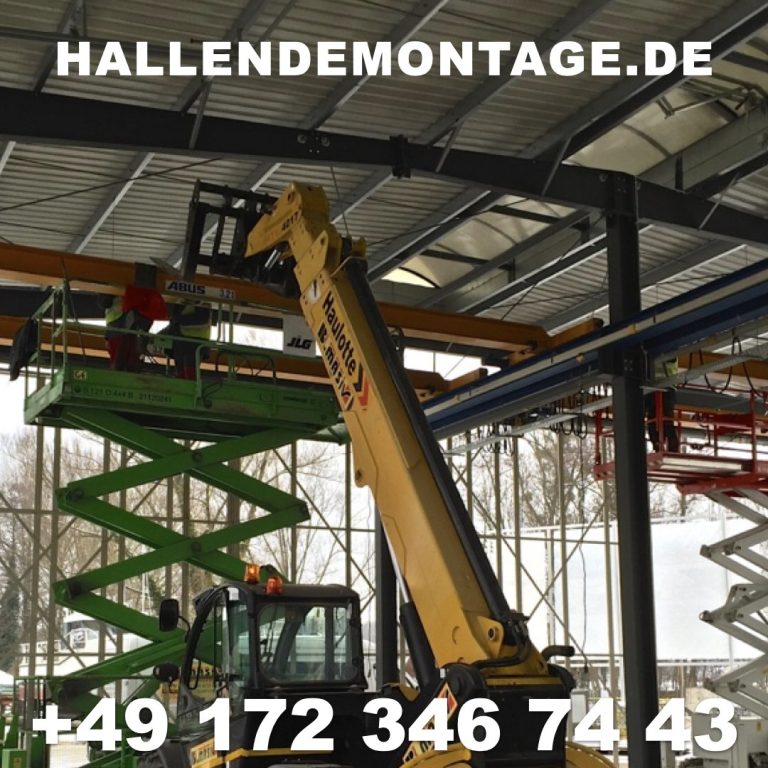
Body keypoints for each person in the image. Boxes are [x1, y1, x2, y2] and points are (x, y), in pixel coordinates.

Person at [100, 286, 167, 372]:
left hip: (125, 328)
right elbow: (104, 302)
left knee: (127, 362)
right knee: (122, 362)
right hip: (120, 328)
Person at [168, 301, 212, 380]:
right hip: (181, 340)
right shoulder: (181, 300)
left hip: (195, 341)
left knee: (189, 373)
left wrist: (179, 319)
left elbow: (202, 318)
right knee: (181, 373)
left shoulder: (202, 299)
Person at [646, 356, 679, 453]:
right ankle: (662, 446)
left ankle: (660, 445)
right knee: (658, 419)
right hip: (662, 389)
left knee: (659, 419)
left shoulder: (671, 354)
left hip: (661, 388)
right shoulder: (670, 354)